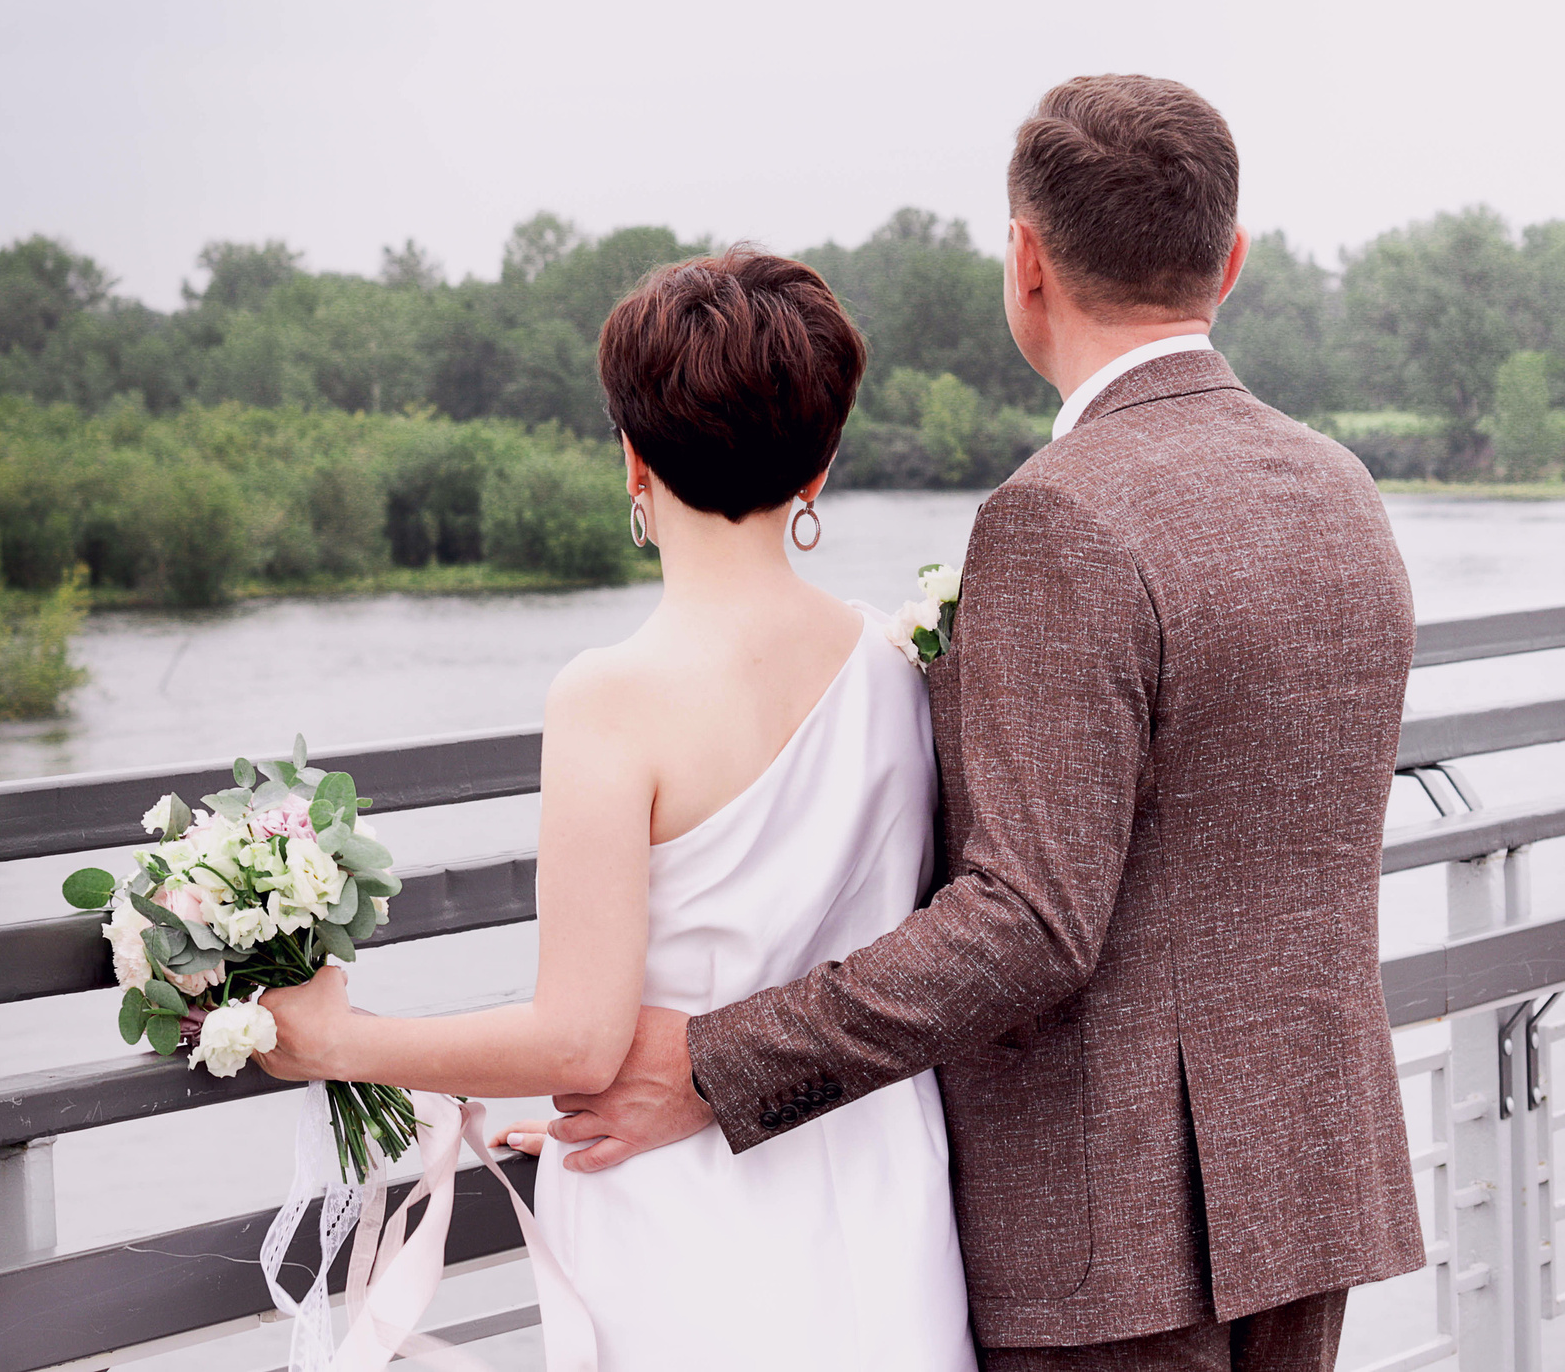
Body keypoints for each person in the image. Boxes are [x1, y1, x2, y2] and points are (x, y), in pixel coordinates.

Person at [544, 75, 1425, 1370]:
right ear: (1228, 260)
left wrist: (724, 1057)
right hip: (1306, 1175)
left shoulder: (1058, 514)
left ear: (1026, 261)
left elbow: (1030, 920)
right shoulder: (1337, 485)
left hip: (1112, 1225)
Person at [253, 248, 979, 1371]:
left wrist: (333, 1040)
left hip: (688, 1216)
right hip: (879, 1189)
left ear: (632, 459)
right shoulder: (895, 665)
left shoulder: (610, 697)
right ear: (821, 466)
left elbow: (580, 1037)